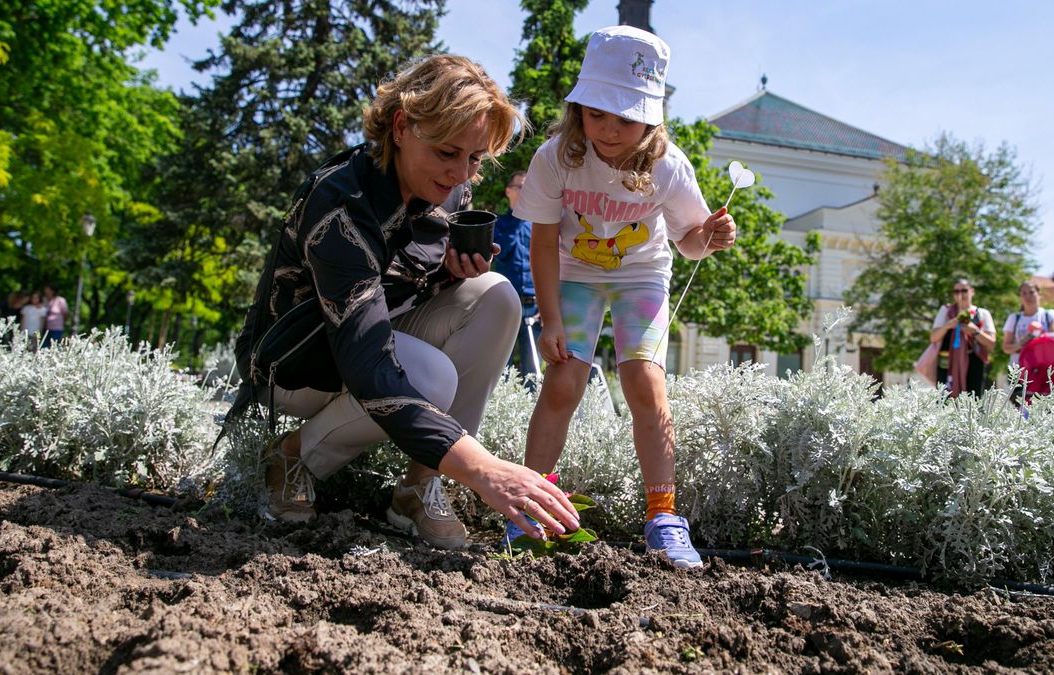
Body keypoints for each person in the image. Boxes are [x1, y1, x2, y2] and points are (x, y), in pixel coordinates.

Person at [231, 55, 579, 549]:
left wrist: (446, 274)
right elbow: (369, 361)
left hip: (368, 339)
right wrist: (484, 469)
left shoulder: (448, 190)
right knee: (430, 375)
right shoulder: (342, 208)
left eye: (476, 159)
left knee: (497, 296)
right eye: (447, 153)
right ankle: (292, 457)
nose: (461, 173)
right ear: (401, 126)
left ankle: (419, 487)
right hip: (292, 363)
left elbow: (398, 286)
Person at [508, 25, 737, 568]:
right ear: (578, 109)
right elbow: (541, 240)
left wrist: (712, 236)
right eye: (596, 114)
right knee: (564, 378)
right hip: (573, 273)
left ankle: (663, 517)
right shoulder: (555, 158)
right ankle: (529, 513)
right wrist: (551, 319)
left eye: (626, 118)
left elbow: (689, 242)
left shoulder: (668, 166)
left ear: (651, 119)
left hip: (642, 275)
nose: (609, 130)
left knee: (644, 378)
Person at [493, 170, 539, 381]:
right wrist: (517, 219)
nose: (525, 192)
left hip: (534, 307)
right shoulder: (498, 224)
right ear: (508, 191)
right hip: (506, 304)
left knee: (535, 368)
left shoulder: (540, 225)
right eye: (521, 187)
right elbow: (501, 254)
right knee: (503, 367)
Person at [929, 278, 996, 397]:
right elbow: (933, 338)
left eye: (964, 290)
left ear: (972, 291)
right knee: (946, 400)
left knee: (973, 401)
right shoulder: (946, 311)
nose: (960, 294)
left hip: (974, 364)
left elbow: (991, 343)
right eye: (956, 291)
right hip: (948, 364)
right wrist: (948, 325)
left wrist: (974, 331)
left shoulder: (982, 313)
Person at [1002, 281, 1054, 367]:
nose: (1028, 296)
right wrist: (1024, 341)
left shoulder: (1049, 315)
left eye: (1031, 292)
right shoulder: (1014, 318)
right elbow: (1006, 348)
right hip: (1019, 368)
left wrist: (1039, 336)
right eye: (1024, 293)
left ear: (1039, 294)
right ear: (1020, 297)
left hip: (1045, 366)